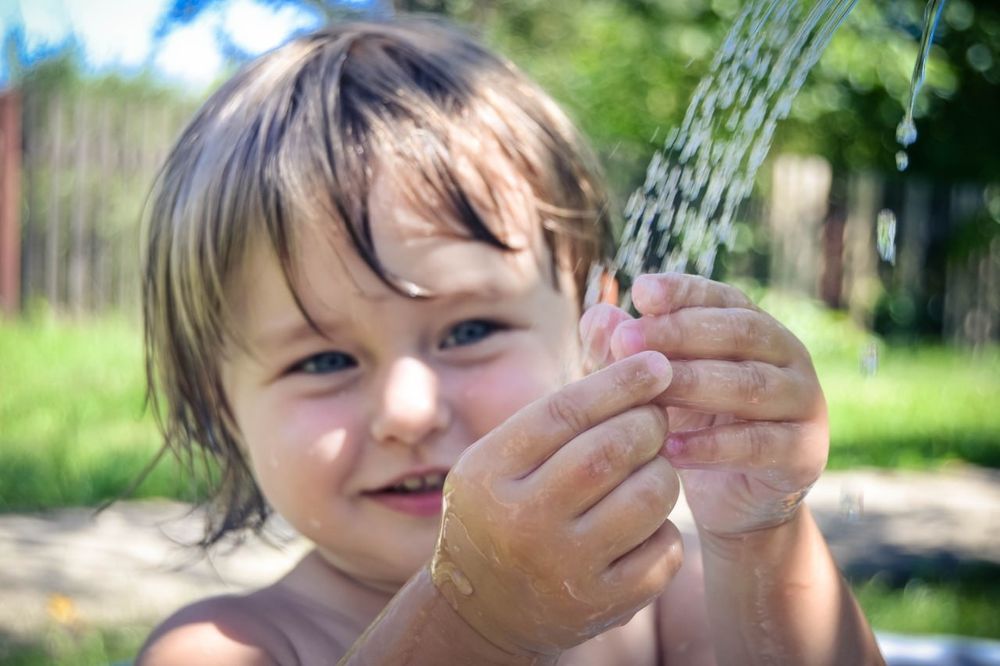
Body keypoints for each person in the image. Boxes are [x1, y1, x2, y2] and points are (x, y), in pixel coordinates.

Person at [136, 16, 884, 665]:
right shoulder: (229, 649)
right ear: (218, 402)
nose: (408, 410)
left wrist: (759, 536)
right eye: (323, 359)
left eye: (468, 330)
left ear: (596, 322)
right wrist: (475, 620)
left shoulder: (664, 604)